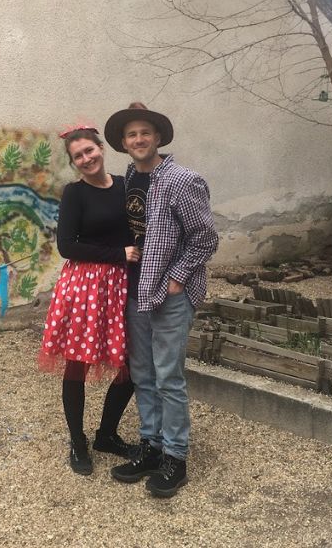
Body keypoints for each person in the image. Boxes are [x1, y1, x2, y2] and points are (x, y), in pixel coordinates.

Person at [105, 102, 218, 498]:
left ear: (158, 138)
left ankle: (176, 457)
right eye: (131, 134)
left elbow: (205, 238)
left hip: (169, 294)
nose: (139, 139)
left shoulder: (182, 181)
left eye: (145, 133)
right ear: (124, 143)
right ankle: (150, 446)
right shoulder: (131, 177)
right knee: (143, 375)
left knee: (169, 376)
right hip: (135, 290)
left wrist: (177, 278)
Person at [39, 125, 141, 476]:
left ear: (101, 148)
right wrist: (117, 253)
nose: (86, 159)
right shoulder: (75, 194)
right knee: (78, 364)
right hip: (86, 287)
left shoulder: (125, 186)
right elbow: (67, 246)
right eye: (78, 156)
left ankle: (107, 434)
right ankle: (77, 440)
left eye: (89, 151)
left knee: (131, 363)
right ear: (74, 162)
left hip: (122, 286)